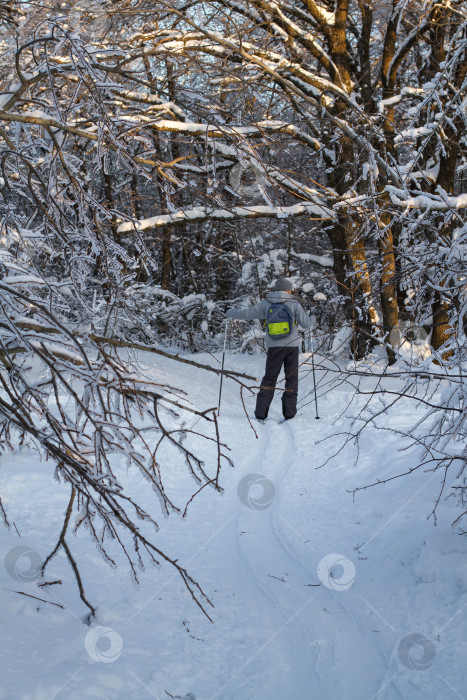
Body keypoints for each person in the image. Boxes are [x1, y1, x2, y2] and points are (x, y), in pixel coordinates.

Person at [226, 278, 312, 421]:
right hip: (291, 347)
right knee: (292, 378)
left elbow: (247, 314)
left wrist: (229, 312)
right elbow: (306, 324)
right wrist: (313, 318)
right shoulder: (294, 304)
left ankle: (261, 413)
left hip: (274, 347)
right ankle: (289, 413)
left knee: (270, 378)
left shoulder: (266, 303)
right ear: (288, 290)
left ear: (276, 289)